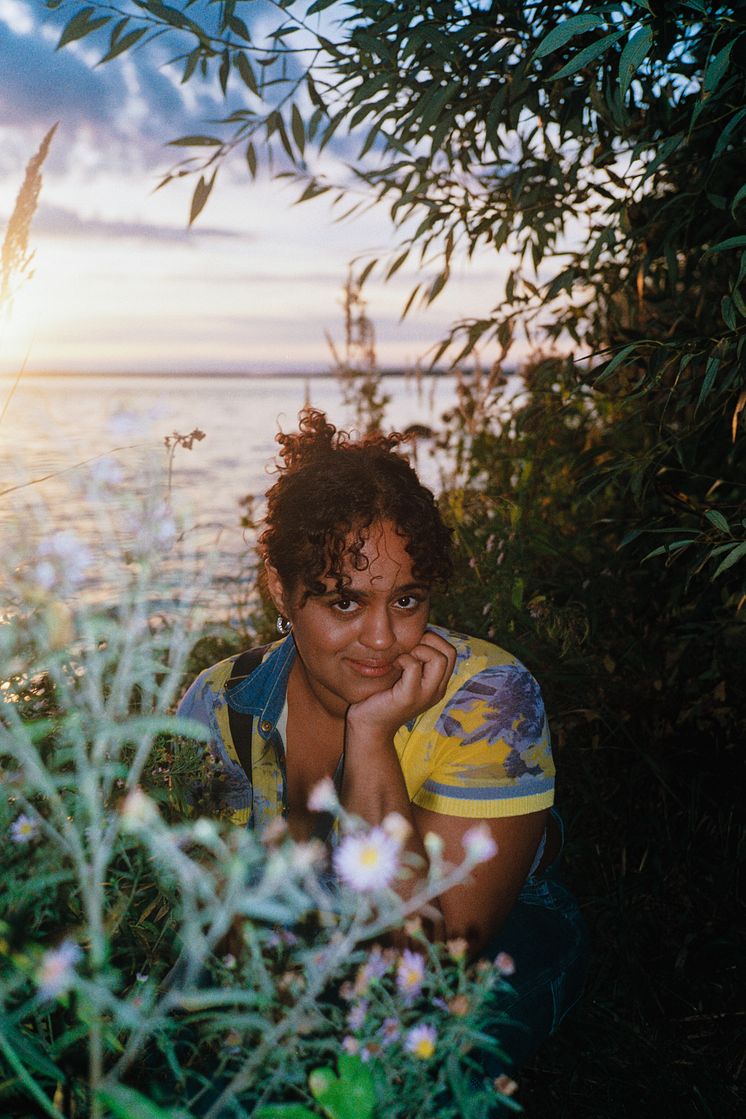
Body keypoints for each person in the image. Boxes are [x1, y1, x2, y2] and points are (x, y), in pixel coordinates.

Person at [177, 408, 589, 1072]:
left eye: (406, 599)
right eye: (345, 602)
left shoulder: (490, 698)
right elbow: (209, 902)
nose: (381, 639)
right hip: (300, 933)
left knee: (395, 1067)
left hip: (486, 941)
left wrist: (369, 739)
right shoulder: (223, 704)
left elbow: (420, 962)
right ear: (281, 589)